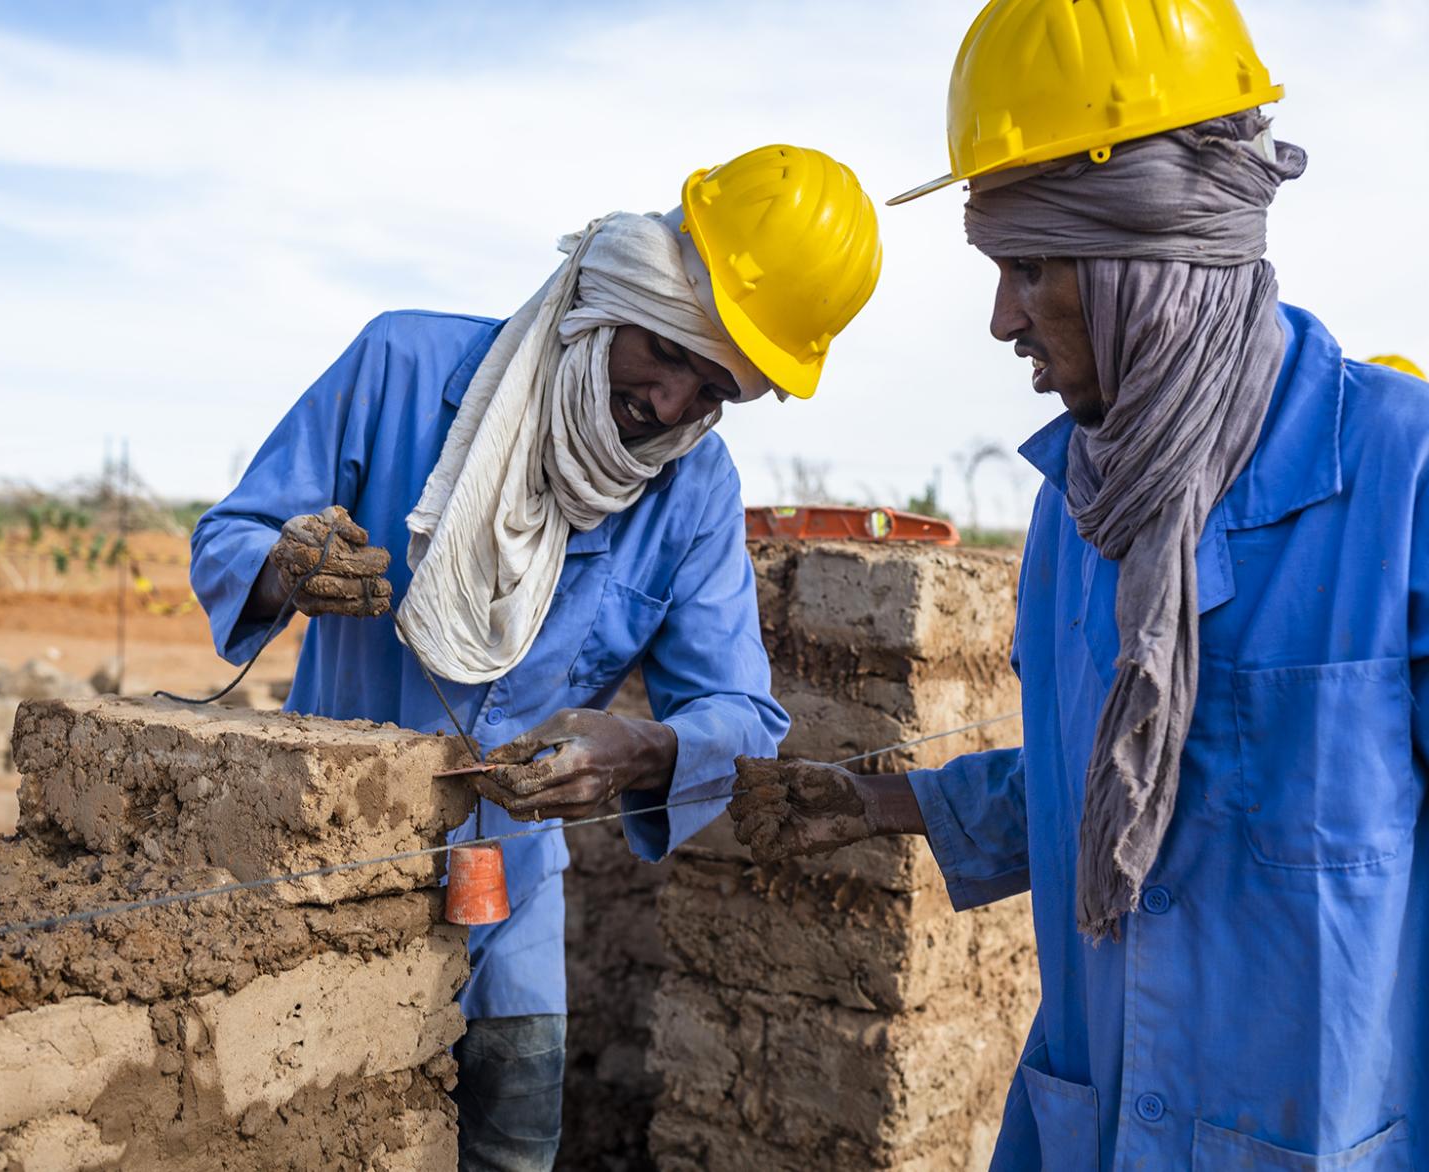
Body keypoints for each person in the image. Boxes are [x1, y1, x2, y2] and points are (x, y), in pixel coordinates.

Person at [731, 3, 1429, 1168]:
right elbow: (1099, 784)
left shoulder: (1400, 477)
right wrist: (878, 803)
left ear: (1145, 259)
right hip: (1093, 1126)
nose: (1003, 317)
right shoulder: (1076, 512)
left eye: (1028, 267)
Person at [191, 143, 881, 1171]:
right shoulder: (401, 367)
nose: (672, 406)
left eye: (716, 391)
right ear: (611, 297)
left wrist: (644, 747)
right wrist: (284, 568)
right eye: (665, 352)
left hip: (509, 887)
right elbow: (231, 534)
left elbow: (743, 711)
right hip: (329, 870)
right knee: (322, 1133)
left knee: (509, 1147)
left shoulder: (692, 491)